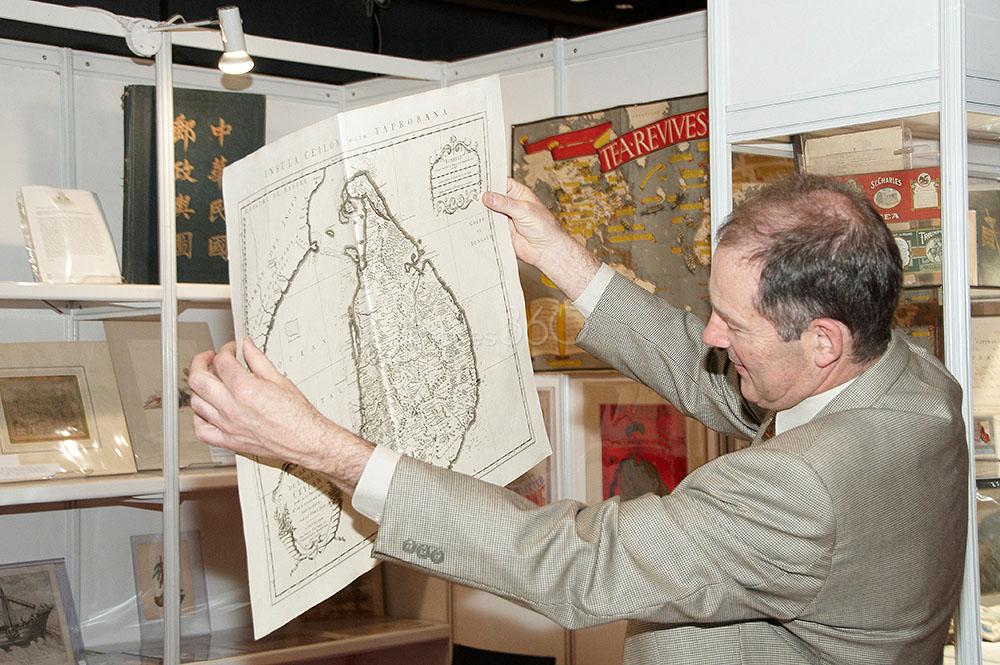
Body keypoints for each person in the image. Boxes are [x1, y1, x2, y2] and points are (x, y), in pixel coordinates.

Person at [188, 173, 967, 665]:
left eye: (733, 323)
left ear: (823, 339)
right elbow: (725, 385)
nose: (710, 334)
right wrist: (563, 259)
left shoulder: (802, 490)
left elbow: (574, 562)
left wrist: (324, 448)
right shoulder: (910, 380)